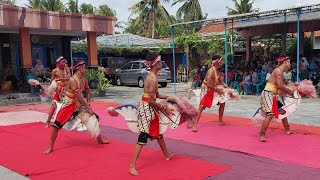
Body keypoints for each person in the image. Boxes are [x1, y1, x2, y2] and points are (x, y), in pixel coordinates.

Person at [44, 60, 109, 155]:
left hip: (78, 104)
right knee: (56, 125)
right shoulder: (72, 80)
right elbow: (78, 95)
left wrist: (89, 102)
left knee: (95, 118)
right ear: (80, 68)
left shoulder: (84, 80)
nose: (86, 69)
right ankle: (51, 147)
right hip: (69, 104)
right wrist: (87, 106)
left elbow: (87, 91)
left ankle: (100, 139)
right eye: (84, 67)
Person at [129, 53, 175, 176]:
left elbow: (155, 95)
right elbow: (150, 100)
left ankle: (166, 155)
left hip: (150, 107)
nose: (162, 63)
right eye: (160, 62)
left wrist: (166, 97)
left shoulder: (153, 77)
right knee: (143, 136)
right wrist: (164, 109)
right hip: (146, 108)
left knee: (158, 132)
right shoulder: (152, 78)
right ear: (155, 64)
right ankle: (132, 166)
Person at [259, 56, 296, 142]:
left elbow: (287, 82)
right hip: (268, 93)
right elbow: (280, 85)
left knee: (281, 110)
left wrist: (297, 85)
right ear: (285, 62)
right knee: (270, 114)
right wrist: (288, 90)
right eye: (289, 62)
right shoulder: (278, 71)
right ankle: (262, 134)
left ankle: (287, 129)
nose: (290, 64)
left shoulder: (281, 73)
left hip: (273, 95)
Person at [191, 55, 227, 132]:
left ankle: (220, 120)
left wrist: (224, 84)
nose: (221, 63)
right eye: (220, 61)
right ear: (217, 62)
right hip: (207, 90)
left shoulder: (216, 70)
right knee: (201, 108)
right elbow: (208, 84)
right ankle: (194, 125)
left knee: (223, 101)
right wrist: (218, 90)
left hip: (214, 89)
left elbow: (220, 79)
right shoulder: (211, 71)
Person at [45, 56, 71, 128]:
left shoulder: (66, 68)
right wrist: (58, 81)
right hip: (59, 90)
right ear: (58, 64)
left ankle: (66, 119)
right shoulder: (54, 71)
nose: (64, 63)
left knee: (68, 104)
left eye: (65, 62)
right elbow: (52, 80)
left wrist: (65, 78)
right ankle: (48, 121)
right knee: (53, 106)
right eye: (62, 62)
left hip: (66, 89)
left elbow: (69, 76)